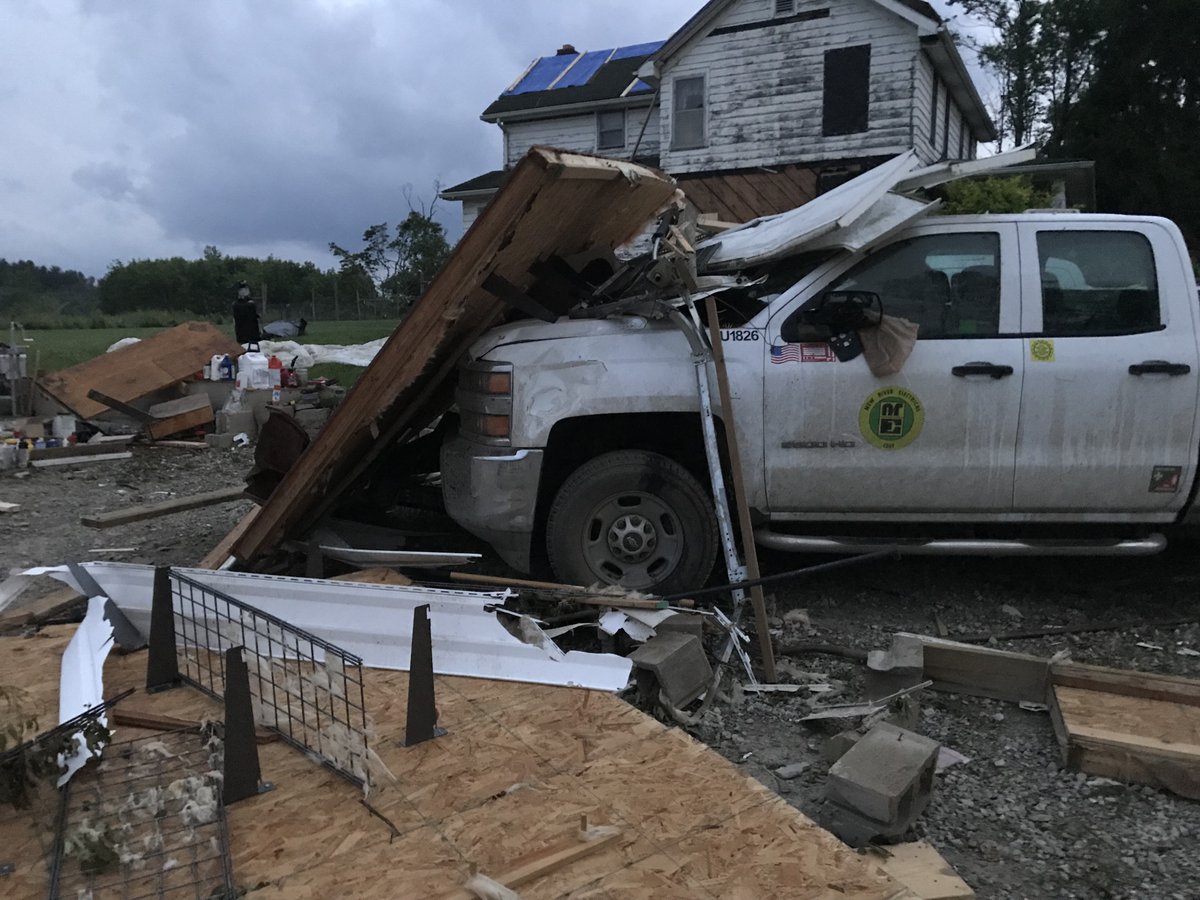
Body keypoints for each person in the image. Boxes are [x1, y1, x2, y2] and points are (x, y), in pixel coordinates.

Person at [232, 281, 261, 346]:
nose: (245, 291)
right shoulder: (237, 305)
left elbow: (255, 318)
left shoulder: (250, 304)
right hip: (244, 335)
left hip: (251, 335)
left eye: (245, 289)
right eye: (242, 289)